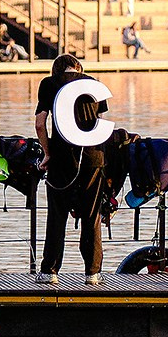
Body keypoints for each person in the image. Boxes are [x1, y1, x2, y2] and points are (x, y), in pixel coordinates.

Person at [34, 54, 109, 284]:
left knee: (57, 214)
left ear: (56, 70)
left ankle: (50, 271)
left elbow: (39, 123)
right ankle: (93, 273)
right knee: (91, 215)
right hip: (93, 157)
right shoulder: (94, 84)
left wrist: (47, 153)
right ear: (79, 68)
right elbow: (102, 122)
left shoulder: (49, 83)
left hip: (62, 159)